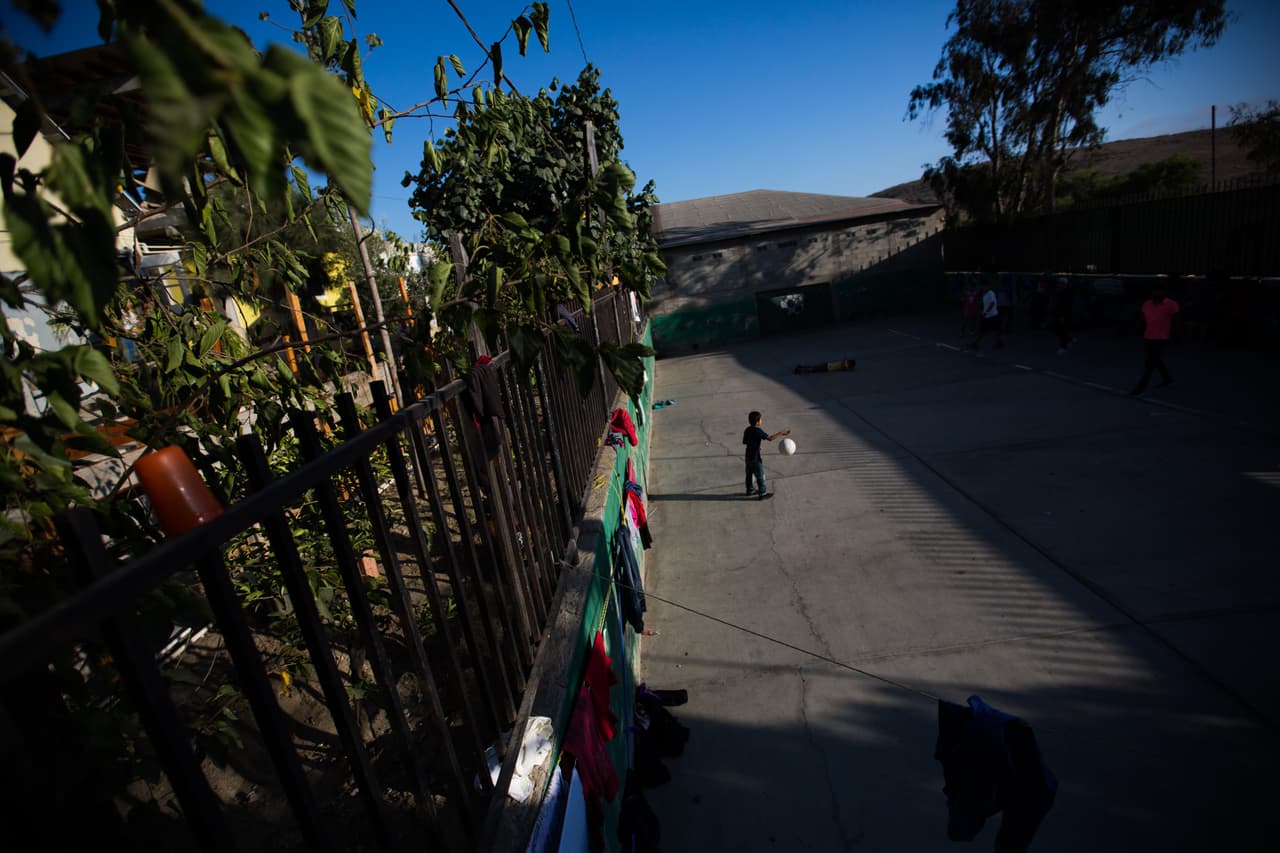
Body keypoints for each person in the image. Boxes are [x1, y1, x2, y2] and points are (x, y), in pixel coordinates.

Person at [1129, 283, 1180, 396]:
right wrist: (1138, 330)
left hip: (1162, 337)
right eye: (1155, 291)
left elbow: (1176, 321)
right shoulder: (1146, 304)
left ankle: (1140, 387)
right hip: (1148, 336)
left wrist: (1176, 336)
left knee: (1150, 362)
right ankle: (1167, 378)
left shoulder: (1171, 304)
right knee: (1155, 360)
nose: (1157, 293)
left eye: (1159, 291)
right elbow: (1143, 320)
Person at [743, 412, 790, 500]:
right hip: (755, 458)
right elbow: (770, 438)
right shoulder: (758, 430)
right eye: (761, 419)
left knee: (749, 474)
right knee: (760, 475)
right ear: (757, 422)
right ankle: (762, 493)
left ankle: (750, 490)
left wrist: (756, 446)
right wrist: (781, 433)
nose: (761, 421)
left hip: (748, 456)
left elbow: (745, 442)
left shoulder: (747, 429)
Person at [970, 279, 1004, 350]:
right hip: (988, 315)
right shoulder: (985, 293)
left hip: (992, 315)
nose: (983, 287)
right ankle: (999, 343)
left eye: (984, 286)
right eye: (982, 286)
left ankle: (976, 344)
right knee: (986, 330)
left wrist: (985, 312)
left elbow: (992, 303)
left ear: (987, 286)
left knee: (988, 330)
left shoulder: (991, 293)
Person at [1050, 277, 1076, 354]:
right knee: (1056, 329)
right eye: (1059, 283)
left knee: (1062, 330)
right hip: (1057, 314)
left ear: (1064, 285)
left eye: (1061, 284)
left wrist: (1063, 316)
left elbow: (1066, 306)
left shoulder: (1067, 293)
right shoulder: (1058, 292)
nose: (1059, 285)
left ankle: (1063, 347)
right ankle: (1068, 339)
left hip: (1064, 314)